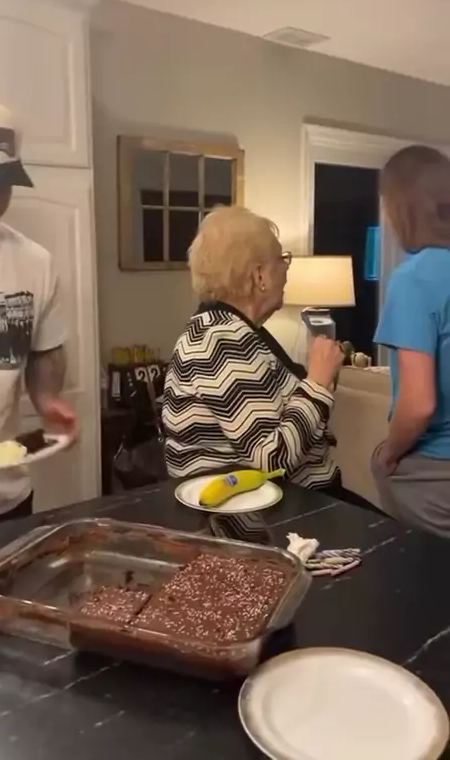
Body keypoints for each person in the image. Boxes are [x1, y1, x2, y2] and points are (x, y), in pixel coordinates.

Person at [162, 205, 343, 489]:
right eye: (281, 259)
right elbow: (271, 460)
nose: (286, 268)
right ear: (260, 277)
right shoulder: (220, 341)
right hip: (268, 507)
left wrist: (319, 379)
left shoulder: (235, 330)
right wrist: (317, 384)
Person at [0, 93, 77, 526]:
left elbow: (44, 351)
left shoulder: (36, 262)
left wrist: (47, 398)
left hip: (8, 494)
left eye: (2, 182)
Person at [372, 145, 450, 537]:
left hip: (436, 469)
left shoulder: (413, 279)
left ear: (401, 209)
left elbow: (419, 405)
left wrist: (389, 452)